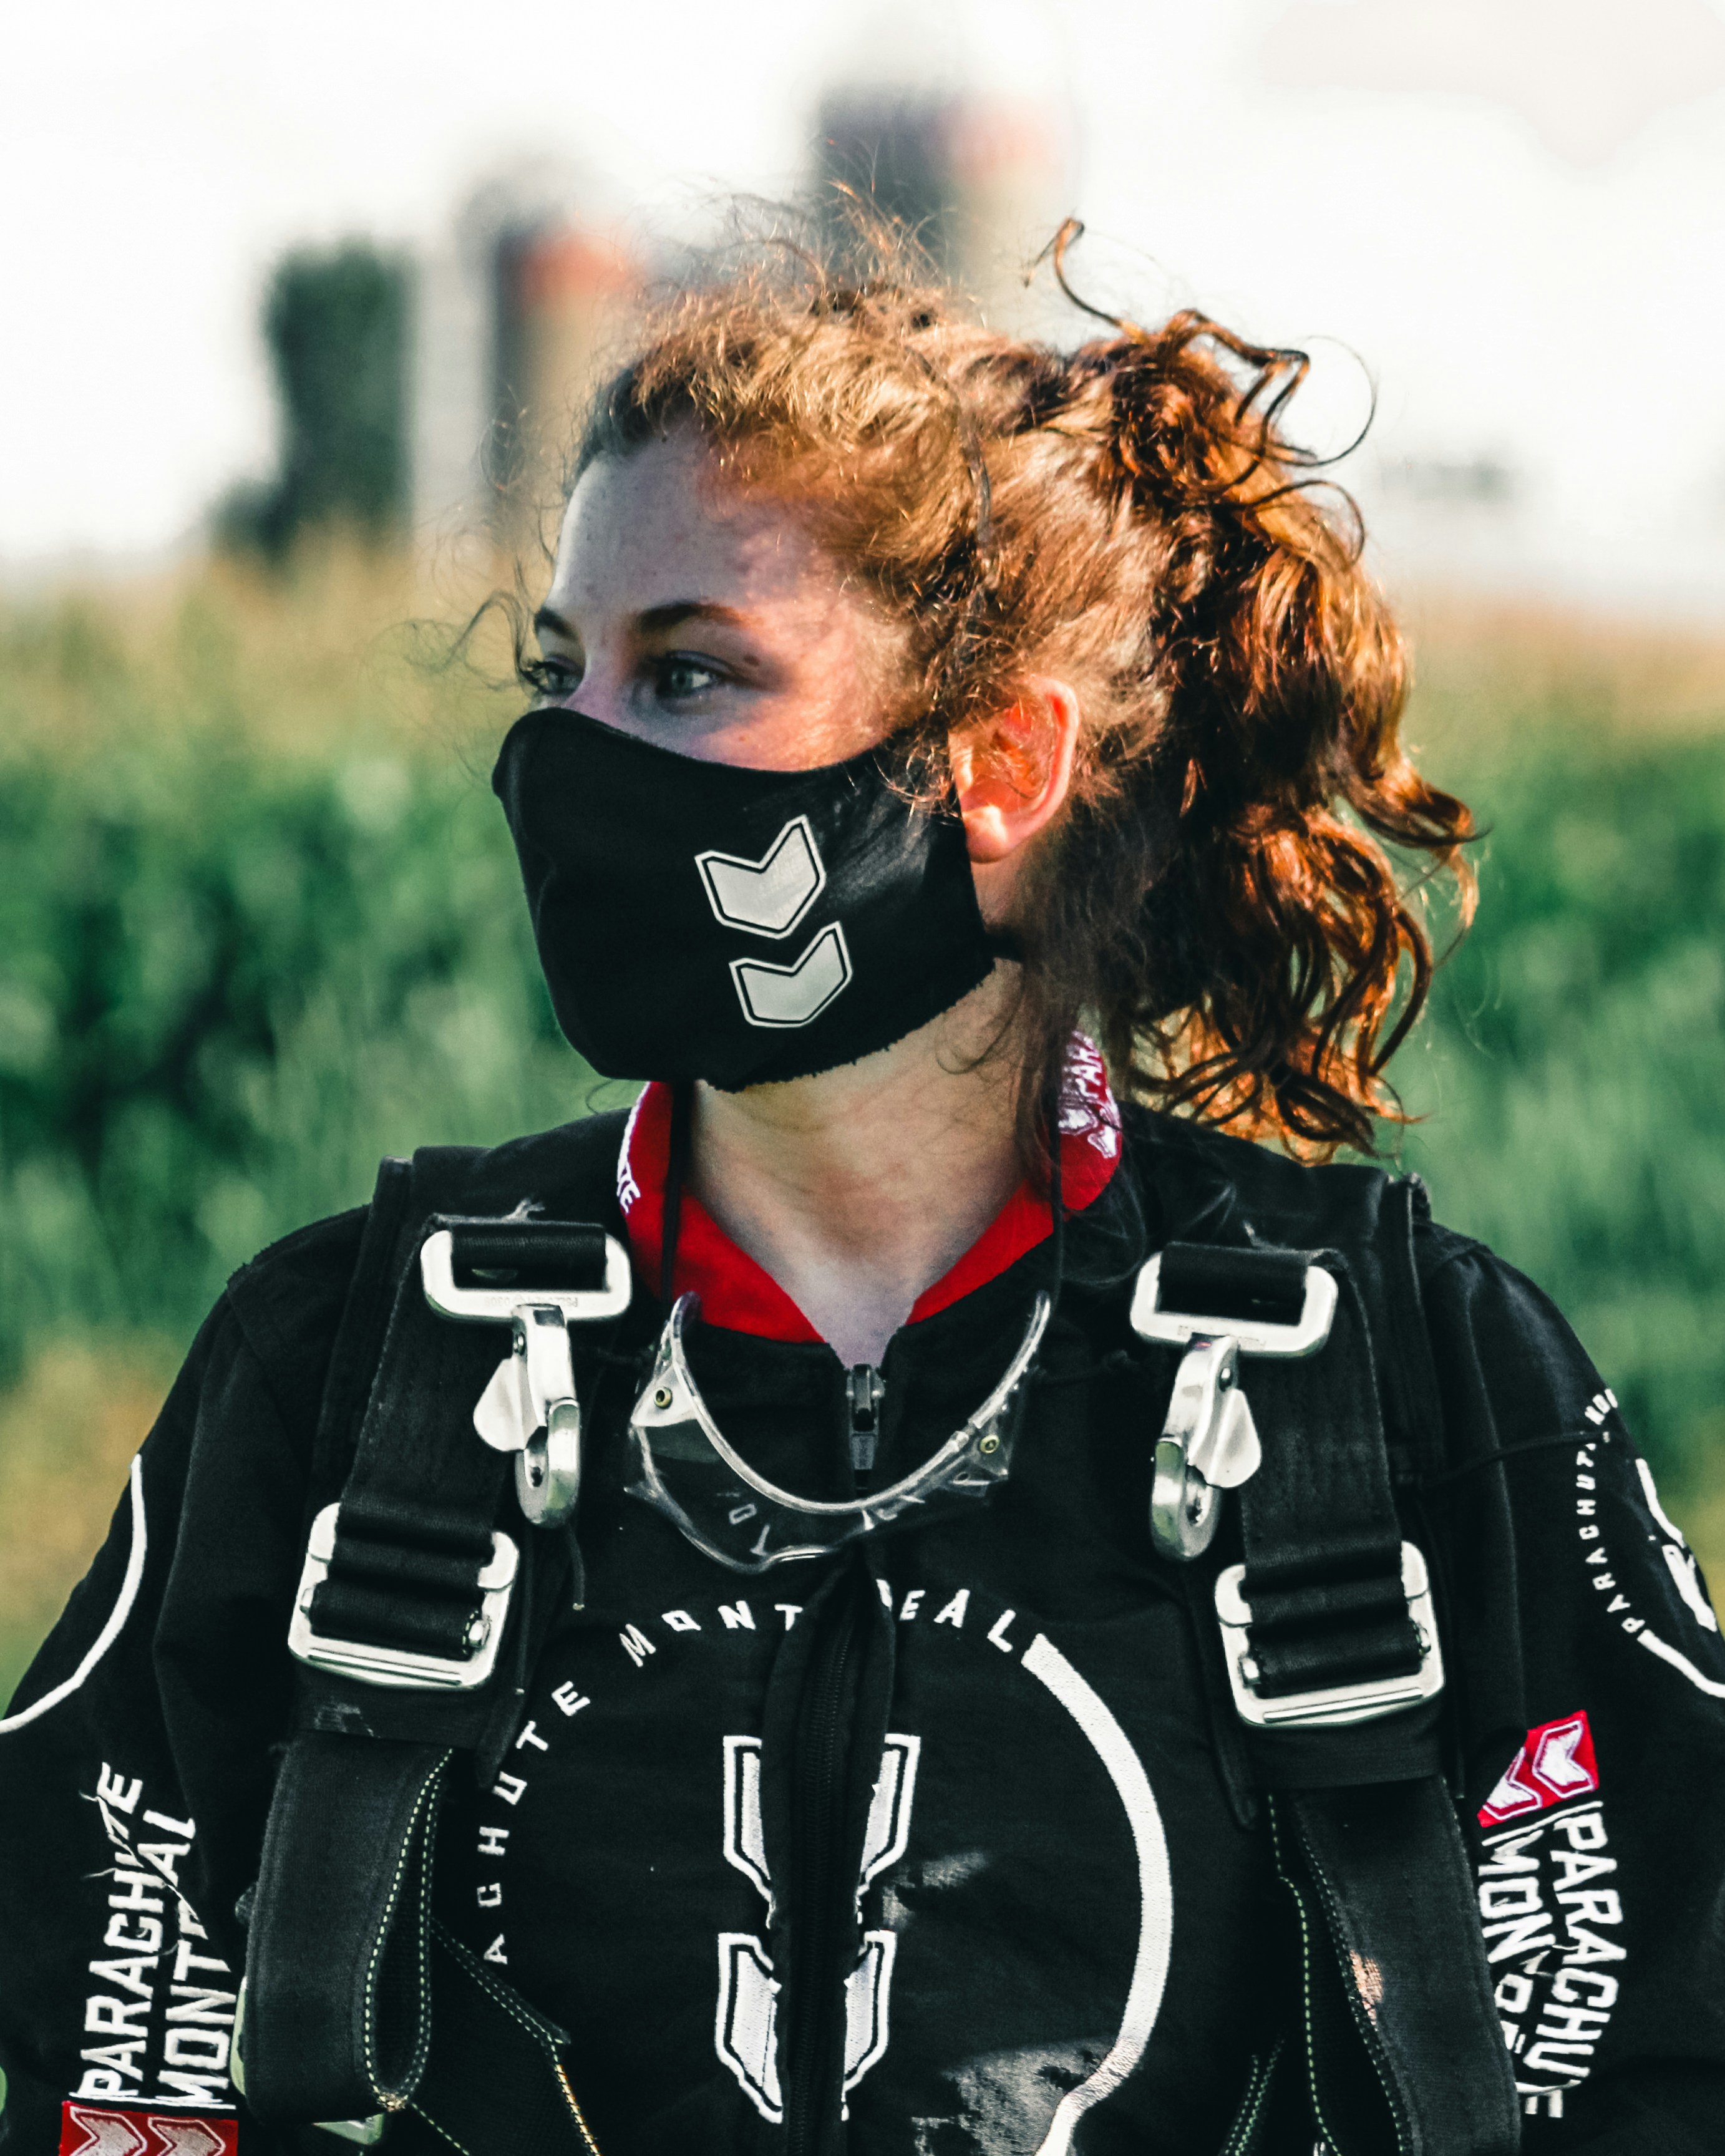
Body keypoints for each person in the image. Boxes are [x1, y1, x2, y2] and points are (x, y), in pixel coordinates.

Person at [2, 221, 1723, 2156]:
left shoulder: (1400, 1391)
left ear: (1000, 765)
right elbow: (107, 2059)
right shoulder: (353, 1369)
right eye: (563, 670)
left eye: (691, 677)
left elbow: (1652, 2060)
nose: (568, 763)